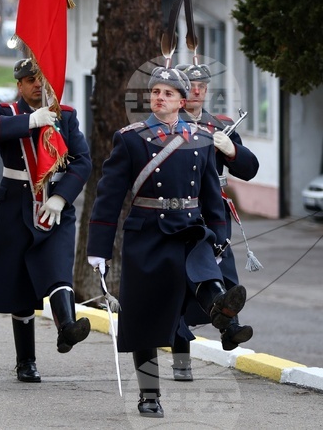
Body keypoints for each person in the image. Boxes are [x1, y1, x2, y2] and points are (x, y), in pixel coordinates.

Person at [87, 65, 250, 418]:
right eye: (155, 92)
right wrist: (98, 249)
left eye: (167, 94)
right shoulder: (130, 138)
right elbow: (109, 196)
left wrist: (220, 238)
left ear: (180, 101)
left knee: (204, 272)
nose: (159, 98)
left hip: (190, 227)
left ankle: (221, 310)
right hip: (147, 232)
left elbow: (211, 194)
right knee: (143, 318)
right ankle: (149, 396)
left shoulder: (201, 138)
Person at [0, 58, 92, 383]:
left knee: (58, 267)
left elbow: (81, 161)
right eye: (30, 79)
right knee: (20, 286)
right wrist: (30, 121)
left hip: (54, 205)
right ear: (19, 84)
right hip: (16, 205)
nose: (37, 84)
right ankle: (26, 361)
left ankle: (67, 327)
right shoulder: (4, 113)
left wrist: (62, 196)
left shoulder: (64, 115)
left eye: (41, 78)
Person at [170, 63, 259, 380]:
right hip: (179, 215)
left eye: (202, 86)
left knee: (226, 278)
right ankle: (182, 361)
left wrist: (232, 149)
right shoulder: (168, 125)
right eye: (191, 85)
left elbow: (249, 169)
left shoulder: (218, 125)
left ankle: (229, 332)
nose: (197, 91)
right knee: (181, 289)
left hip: (215, 216)